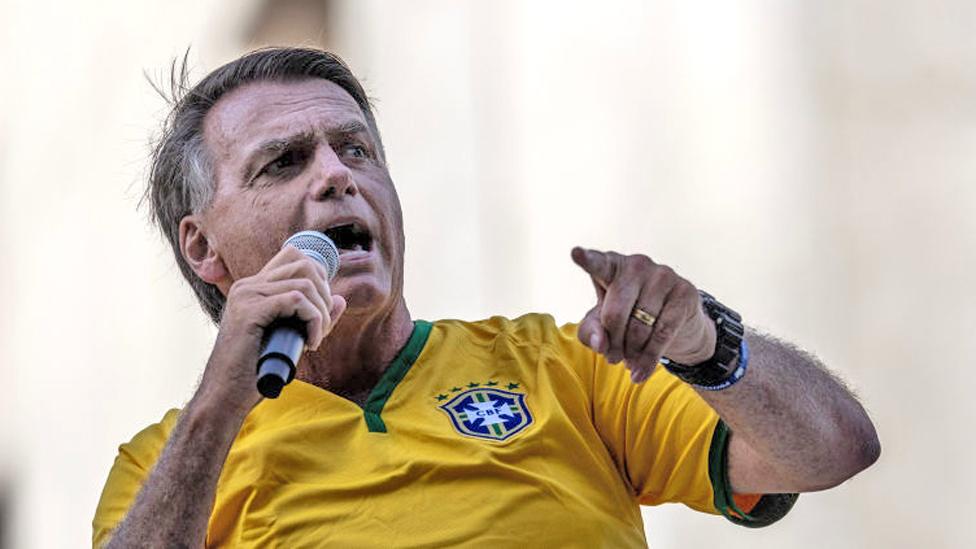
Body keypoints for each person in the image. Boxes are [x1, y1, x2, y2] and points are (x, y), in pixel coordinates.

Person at [93, 47, 880, 548]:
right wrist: (218, 403)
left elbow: (833, 450)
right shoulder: (163, 464)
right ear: (204, 247)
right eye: (285, 162)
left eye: (357, 149)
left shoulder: (562, 364)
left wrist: (710, 343)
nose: (337, 174)